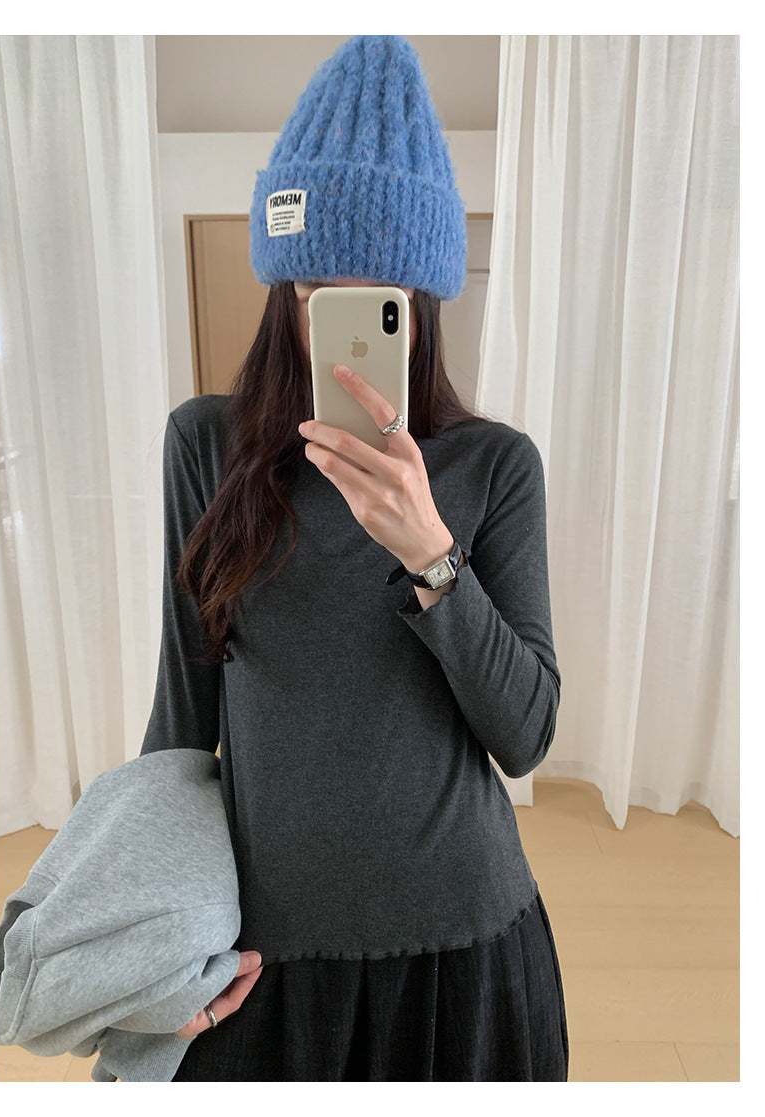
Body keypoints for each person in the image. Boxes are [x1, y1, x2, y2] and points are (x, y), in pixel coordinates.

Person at [142, 35, 568, 1081]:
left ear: (420, 306)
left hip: (459, 939)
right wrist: (156, 935)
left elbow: (525, 736)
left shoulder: (494, 466)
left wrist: (431, 553)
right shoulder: (205, 447)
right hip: (256, 950)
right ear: (282, 288)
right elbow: (181, 719)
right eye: (319, 289)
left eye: (380, 299)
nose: (344, 326)